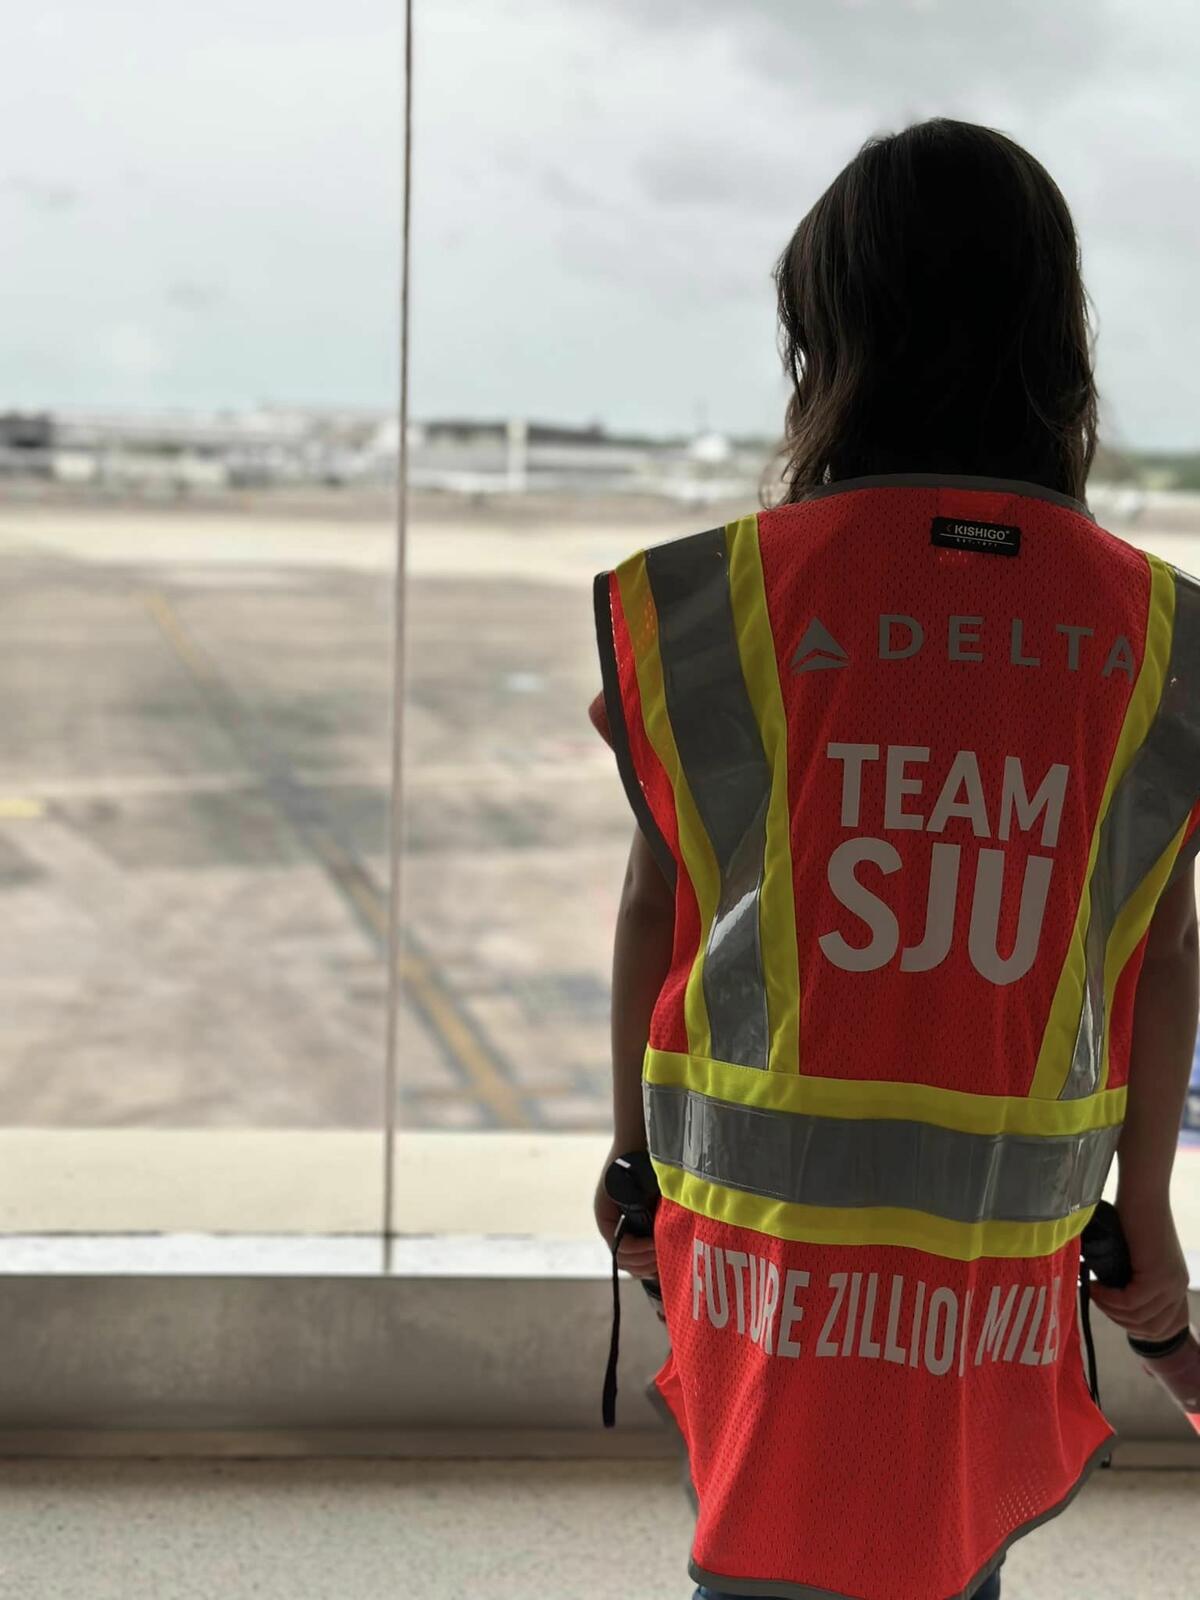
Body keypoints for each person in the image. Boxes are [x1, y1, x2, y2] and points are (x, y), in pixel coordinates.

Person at [589, 116, 1197, 1600]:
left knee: (767, 1552)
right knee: (940, 1554)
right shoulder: (1162, 640)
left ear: (826, 336)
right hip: (999, 1242)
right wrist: (1151, 1216)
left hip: (749, 1233)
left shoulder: (703, 607)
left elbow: (662, 900)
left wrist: (630, 1161)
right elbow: (1158, 948)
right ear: (1060, 340)